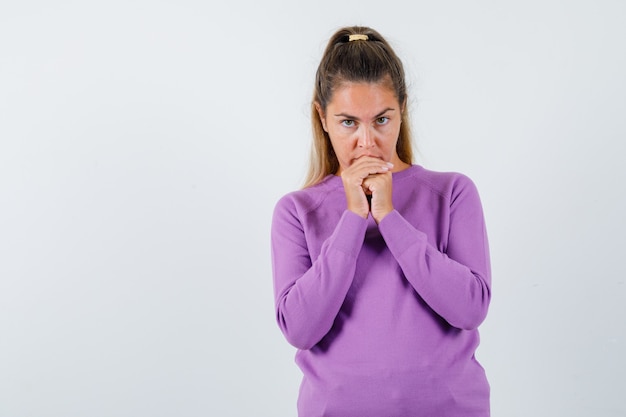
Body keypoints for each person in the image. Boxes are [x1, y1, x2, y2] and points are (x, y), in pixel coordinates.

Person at [270, 26, 491, 417]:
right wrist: (354, 218)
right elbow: (300, 330)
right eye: (348, 122)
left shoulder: (453, 193)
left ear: (402, 110)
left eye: (382, 120)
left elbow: (470, 309)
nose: (367, 142)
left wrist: (389, 216)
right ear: (322, 117)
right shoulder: (297, 211)